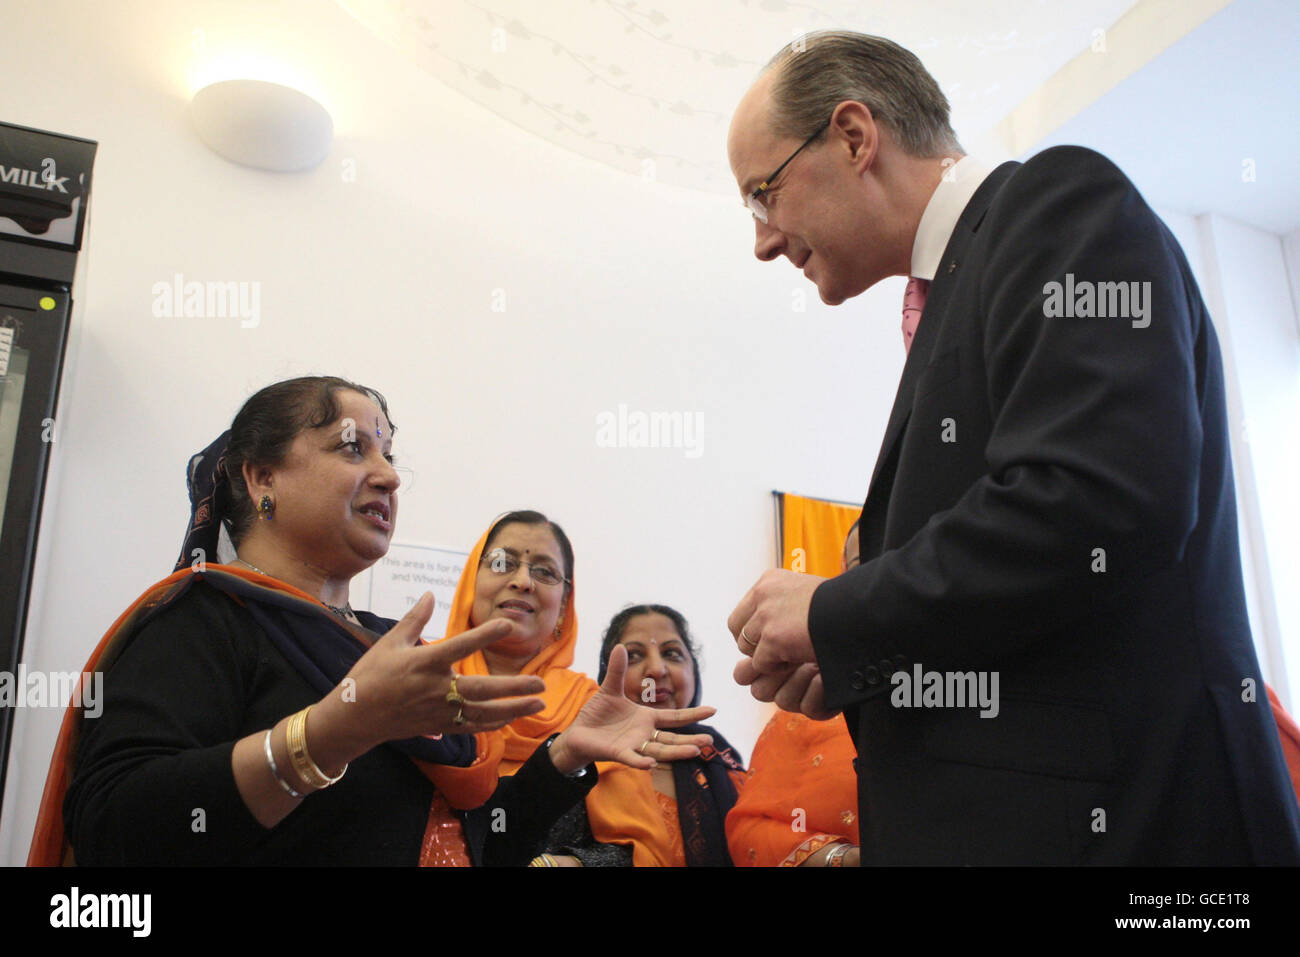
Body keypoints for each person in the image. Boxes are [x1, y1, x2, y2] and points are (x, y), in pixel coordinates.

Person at [724, 31, 1300, 864]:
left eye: (761, 194)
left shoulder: (1059, 201)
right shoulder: (953, 290)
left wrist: (833, 610)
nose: (764, 240)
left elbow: (1098, 500)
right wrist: (850, 653)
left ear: (853, 136)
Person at [28, 377, 711, 866]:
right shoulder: (203, 619)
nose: (389, 475)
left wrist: (564, 756)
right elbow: (114, 830)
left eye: (389, 454)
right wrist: (332, 731)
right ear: (261, 476)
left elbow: (475, 844)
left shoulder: (394, 643)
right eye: (354, 449)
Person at [535, 605, 746, 866]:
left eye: (672, 653)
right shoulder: (580, 765)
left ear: (693, 670)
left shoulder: (721, 760)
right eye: (633, 656)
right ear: (608, 676)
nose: (656, 669)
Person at [727, 524, 860, 866]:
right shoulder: (807, 710)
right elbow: (751, 830)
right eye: (864, 568)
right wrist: (842, 860)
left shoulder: (981, 694)